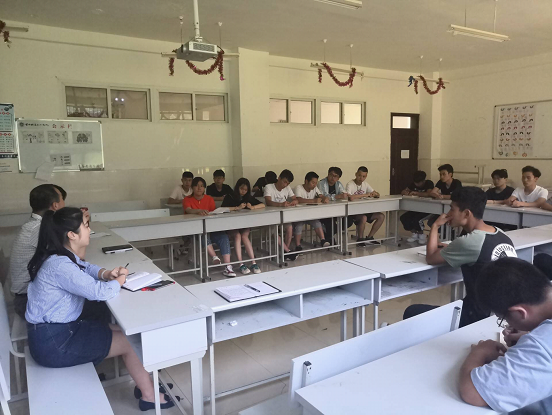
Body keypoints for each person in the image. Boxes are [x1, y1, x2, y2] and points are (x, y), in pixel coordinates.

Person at [25, 207, 173, 411]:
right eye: (86, 226)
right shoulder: (60, 265)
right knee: (129, 343)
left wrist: (107, 274)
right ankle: (149, 397)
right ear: (72, 235)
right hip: (54, 342)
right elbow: (100, 292)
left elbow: (85, 267)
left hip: (57, 332)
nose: (89, 230)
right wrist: (121, 279)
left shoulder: (61, 256)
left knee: (126, 333)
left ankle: (144, 383)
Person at [404, 187, 517, 327]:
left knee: (412, 312)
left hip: (475, 317)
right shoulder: (501, 234)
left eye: (452, 209)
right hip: (503, 314)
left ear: (466, 213)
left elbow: (431, 257)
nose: (448, 213)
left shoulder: (470, 242)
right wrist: (452, 248)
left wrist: (435, 226)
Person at [459, 258, 552, 414]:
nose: (506, 323)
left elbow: (473, 392)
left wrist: (479, 352)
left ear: (520, 312)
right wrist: (530, 334)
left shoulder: (541, 344)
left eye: (503, 318)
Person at [9, 184, 67, 319]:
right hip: (29, 301)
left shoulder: (34, 224)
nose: (64, 204)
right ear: (55, 205)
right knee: (94, 303)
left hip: (30, 296)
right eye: (62, 199)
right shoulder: (39, 228)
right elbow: (68, 257)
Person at [184, 177, 236, 277]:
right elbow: (188, 210)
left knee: (223, 237)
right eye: (196, 186)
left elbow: (213, 213)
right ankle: (214, 257)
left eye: (202, 186)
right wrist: (199, 211)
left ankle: (228, 266)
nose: (199, 188)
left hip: (211, 229)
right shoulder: (187, 199)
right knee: (203, 235)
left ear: (204, 188)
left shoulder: (209, 199)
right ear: (192, 187)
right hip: (195, 231)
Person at [222, 178, 265, 274]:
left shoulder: (247, 197)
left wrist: (252, 207)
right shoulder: (230, 196)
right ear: (237, 187)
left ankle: (253, 262)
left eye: (245, 190)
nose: (243, 191)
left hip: (244, 224)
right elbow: (223, 208)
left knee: (244, 236)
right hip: (231, 224)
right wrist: (236, 208)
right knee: (237, 236)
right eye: (241, 189)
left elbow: (262, 205)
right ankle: (240, 263)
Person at [263, 169, 298, 261]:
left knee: (289, 228)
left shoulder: (287, 188)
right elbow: (268, 202)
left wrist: (294, 201)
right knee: (274, 230)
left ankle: (285, 251)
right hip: (270, 217)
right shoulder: (269, 187)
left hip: (283, 216)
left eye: (288, 183)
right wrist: (280, 204)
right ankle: (287, 251)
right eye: (284, 182)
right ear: (279, 178)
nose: (285, 185)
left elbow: (295, 198)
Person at [345, 166, 385, 246]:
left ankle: (370, 237)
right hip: (353, 211)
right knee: (364, 217)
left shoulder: (365, 184)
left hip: (365, 209)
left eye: (364, 176)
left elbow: (376, 193)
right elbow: (350, 197)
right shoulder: (350, 184)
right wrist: (366, 194)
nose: (361, 178)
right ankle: (360, 239)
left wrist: (375, 194)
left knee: (381, 216)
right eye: (359, 175)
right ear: (356, 174)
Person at [294, 172, 330, 249]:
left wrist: (325, 198)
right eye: (313, 183)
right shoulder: (298, 187)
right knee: (299, 226)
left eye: (316, 183)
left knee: (317, 223)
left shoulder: (315, 188)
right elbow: (299, 199)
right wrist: (314, 201)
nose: (314, 185)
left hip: (310, 214)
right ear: (306, 181)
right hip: (298, 215)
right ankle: (298, 245)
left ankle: (323, 240)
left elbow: (321, 195)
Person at [400, 170, 434, 244]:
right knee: (404, 218)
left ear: (423, 181)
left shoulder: (429, 183)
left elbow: (429, 194)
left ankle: (422, 235)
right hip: (416, 208)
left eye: (419, 183)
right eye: (415, 183)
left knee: (416, 219)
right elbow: (403, 191)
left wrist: (417, 193)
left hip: (428, 209)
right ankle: (415, 233)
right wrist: (405, 192)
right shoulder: (413, 184)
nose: (417, 184)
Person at [318, 166, 348, 243]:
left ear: (338, 178)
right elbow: (323, 196)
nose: (332, 178)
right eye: (331, 175)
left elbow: (344, 193)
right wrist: (337, 196)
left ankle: (328, 235)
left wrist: (343, 195)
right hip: (323, 210)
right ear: (328, 174)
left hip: (335, 209)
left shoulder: (338, 184)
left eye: (335, 176)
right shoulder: (321, 183)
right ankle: (330, 238)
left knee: (348, 220)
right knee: (330, 222)